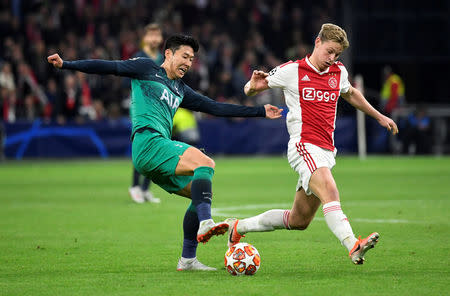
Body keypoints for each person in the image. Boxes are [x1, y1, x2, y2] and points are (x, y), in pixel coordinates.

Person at [47, 34, 282, 271]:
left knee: (198, 193)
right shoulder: (145, 67)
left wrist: (259, 112)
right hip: (148, 142)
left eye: (192, 59)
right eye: (185, 56)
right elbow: (108, 67)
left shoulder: (180, 89)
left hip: (155, 152)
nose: (189, 63)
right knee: (206, 164)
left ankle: (188, 260)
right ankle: (205, 222)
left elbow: (215, 107)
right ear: (168, 54)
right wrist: (66, 64)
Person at [225, 23, 399, 265]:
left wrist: (379, 116)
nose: (332, 58)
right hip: (303, 145)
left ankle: (239, 226)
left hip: (326, 151)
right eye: (329, 51)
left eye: (337, 54)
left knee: (299, 220)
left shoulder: (338, 72)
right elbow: (251, 89)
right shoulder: (292, 70)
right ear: (317, 42)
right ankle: (353, 245)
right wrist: (252, 85)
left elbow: (350, 93)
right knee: (330, 189)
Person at [128, 23, 164, 204]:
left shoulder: (163, 58)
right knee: (142, 146)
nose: (154, 38)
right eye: (151, 34)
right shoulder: (138, 57)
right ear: (145, 38)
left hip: (159, 109)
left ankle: (145, 189)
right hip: (142, 108)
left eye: (157, 34)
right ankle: (135, 187)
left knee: (156, 148)